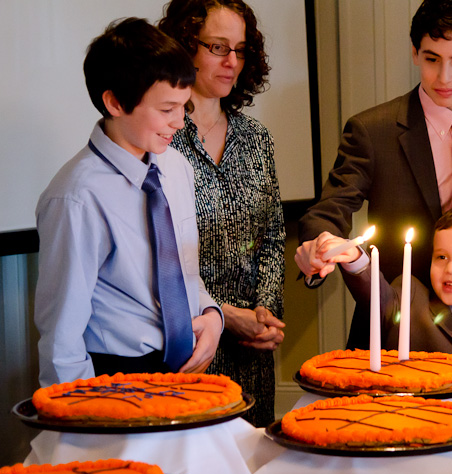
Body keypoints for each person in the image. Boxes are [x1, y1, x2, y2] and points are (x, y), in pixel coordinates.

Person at [295, 0, 452, 394]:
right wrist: (318, 243)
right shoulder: (374, 129)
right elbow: (331, 207)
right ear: (415, 52)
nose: (444, 77)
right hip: (403, 324)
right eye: (432, 59)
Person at [35, 18, 223, 387]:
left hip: (187, 369)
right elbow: (62, 339)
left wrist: (211, 314)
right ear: (115, 102)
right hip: (118, 377)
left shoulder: (176, 168)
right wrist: (80, 415)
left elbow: (182, 271)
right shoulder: (76, 197)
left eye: (184, 106)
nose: (180, 122)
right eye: (167, 109)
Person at [158, 0, 285, 427]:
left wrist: (264, 314)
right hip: (189, 343)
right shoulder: (160, 138)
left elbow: (272, 238)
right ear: (185, 45)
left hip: (253, 351)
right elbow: (158, 256)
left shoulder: (256, 138)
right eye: (218, 47)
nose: (232, 61)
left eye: (241, 50)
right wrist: (225, 316)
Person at [320, 206, 452, 409]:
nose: (451, 268)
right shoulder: (410, 299)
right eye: (441, 257)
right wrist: (356, 260)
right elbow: (378, 296)